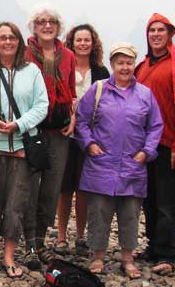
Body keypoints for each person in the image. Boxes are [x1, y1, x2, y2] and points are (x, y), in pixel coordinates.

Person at [75, 43, 163, 278]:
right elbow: (81, 120)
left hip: (133, 165)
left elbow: (155, 126)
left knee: (130, 215)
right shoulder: (98, 90)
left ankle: (127, 259)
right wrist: (89, 144)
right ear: (112, 65)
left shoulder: (145, 94)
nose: (125, 67)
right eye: (120, 63)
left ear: (134, 65)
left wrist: (146, 152)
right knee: (98, 213)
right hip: (101, 164)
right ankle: (98, 257)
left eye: (129, 63)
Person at [0, 22, 48, 279]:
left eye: (12, 37)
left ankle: (9, 256)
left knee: (16, 205)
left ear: (19, 41)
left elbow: (42, 106)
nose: (7, 42)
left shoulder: (32, 71)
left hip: (22, 147)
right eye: (2, 38)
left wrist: (19, 124)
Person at [133, 13, 175, 275]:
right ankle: (153, 247)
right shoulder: (142, 66)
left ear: (169, 34)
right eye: (152, 30)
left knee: (167, 203)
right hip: (144, 146)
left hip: (168, 145)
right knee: (148, 200)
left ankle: (168, 254)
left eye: (161, 30)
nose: (156, 35)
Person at [22, 4, 76, 270]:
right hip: (33, 130)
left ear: (58, 26)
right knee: (30, 188)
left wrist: (73, 119)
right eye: (41, 21)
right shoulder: (23, 54)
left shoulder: (67, 56)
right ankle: (29, 243)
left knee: (52, 189)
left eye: (52, 21)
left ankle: (41, 240)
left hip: (59, 131)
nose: (47, 25)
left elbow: (71, 92)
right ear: (34, 26)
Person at [56, 24, 110, 256]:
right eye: (79, 40)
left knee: (83, 188)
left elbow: (107, 103)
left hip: (90, 136)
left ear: (93, 43)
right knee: (64, 188)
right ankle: (61, 236)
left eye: (87, 40)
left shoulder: (101, 71)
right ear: (71, 42)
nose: (83, 44)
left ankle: (80, 235)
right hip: (65, 134)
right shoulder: (62, 67)